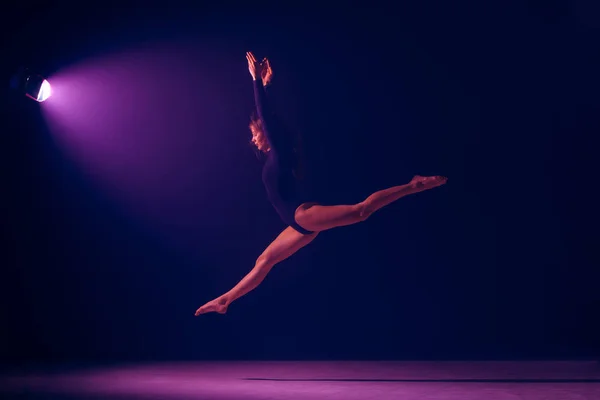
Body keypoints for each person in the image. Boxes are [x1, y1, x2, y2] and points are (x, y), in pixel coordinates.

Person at [195, 52, 447, 315]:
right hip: (297, 224)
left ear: (265, 132)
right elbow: (268, 117)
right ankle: (225, 300)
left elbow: (267, 117)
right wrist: (267, 85)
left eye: (254, 134)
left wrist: (257, 81)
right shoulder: (276, 155)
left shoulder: (280, 151)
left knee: (361, 211)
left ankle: (412, 185)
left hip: (303, 216)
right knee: (264, 261)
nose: (253, 140)